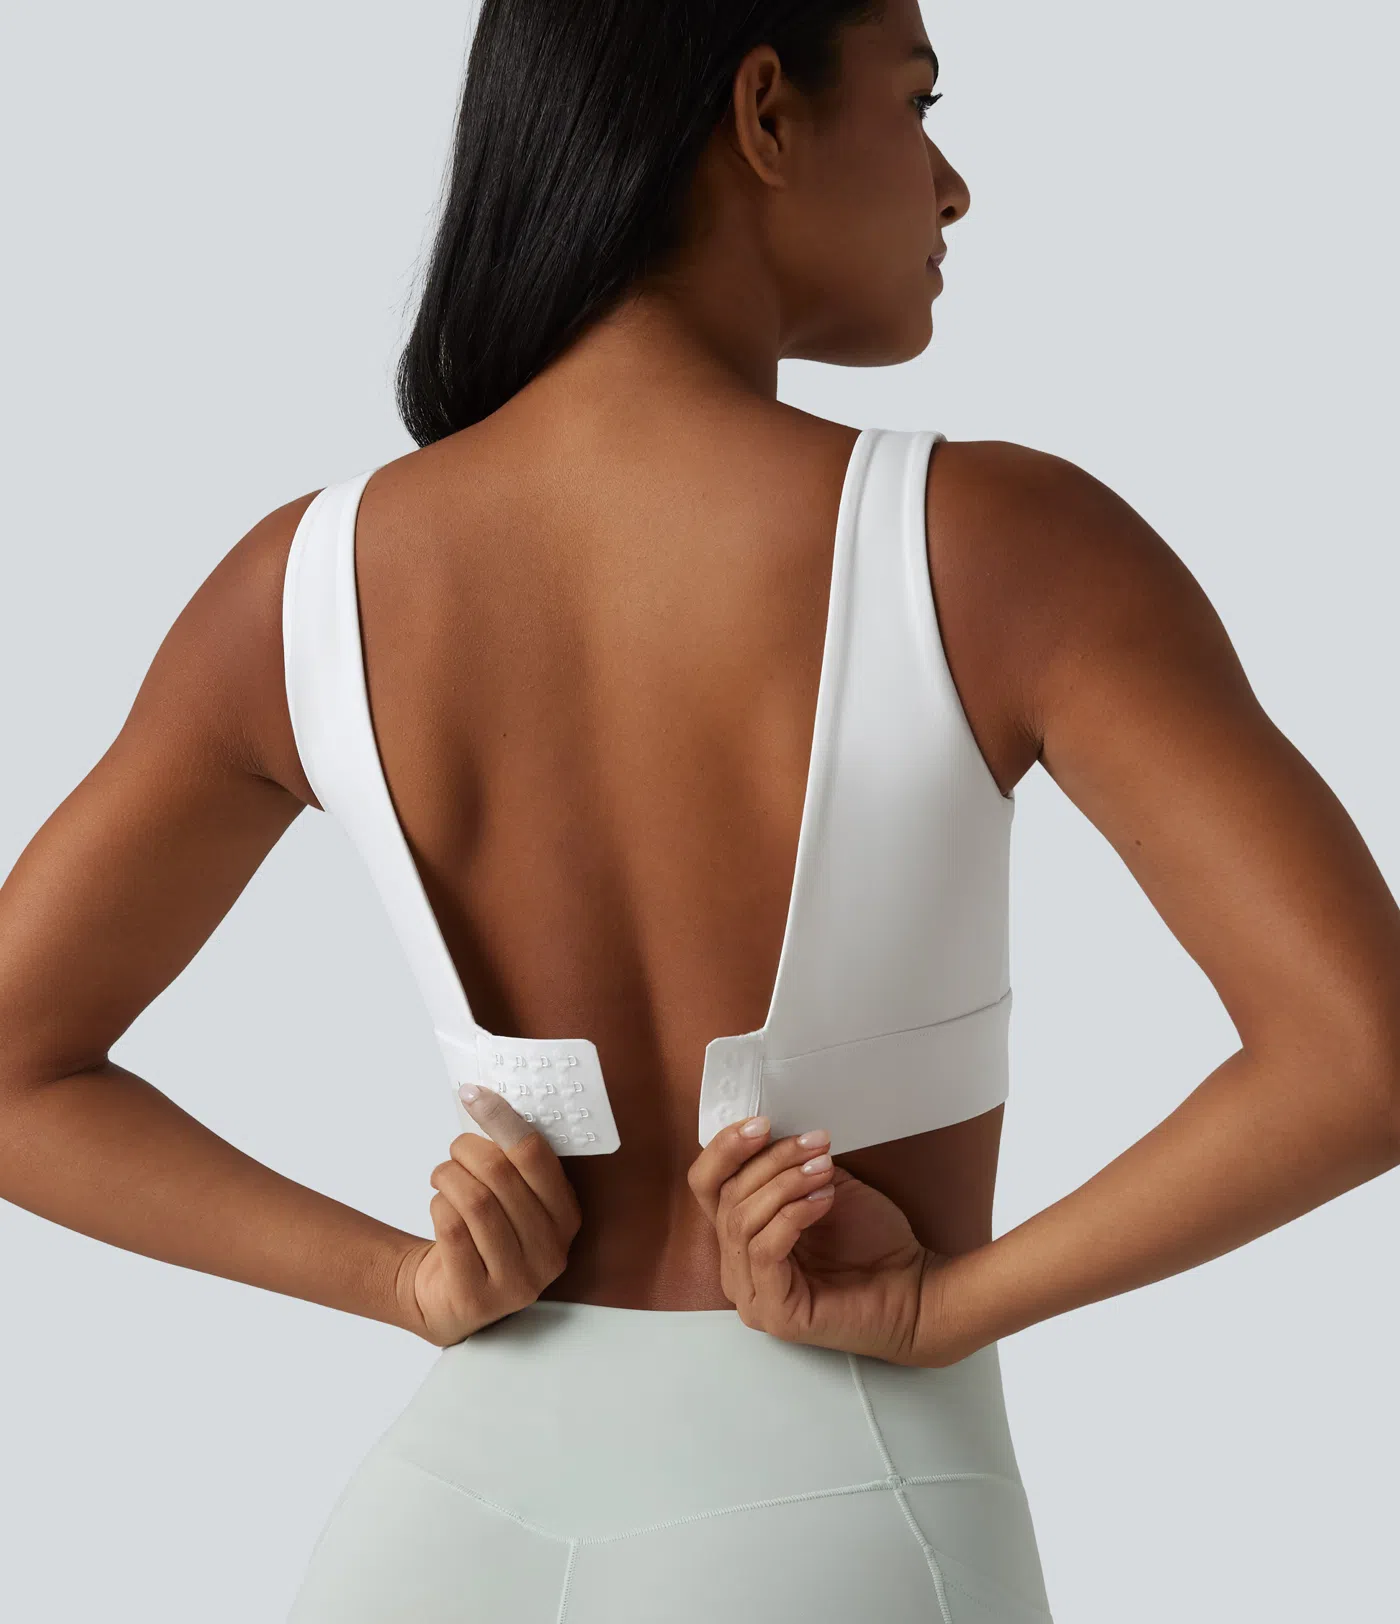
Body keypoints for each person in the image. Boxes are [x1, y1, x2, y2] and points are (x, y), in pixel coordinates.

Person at [2, 1, 1398, 1620]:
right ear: (765, 113)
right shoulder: (998, 546)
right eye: (918, 101)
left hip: (437, 1533)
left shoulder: (302, 591)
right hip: (849, 1525)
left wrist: (403, 1282)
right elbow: (1360, 1058)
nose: (952, 185)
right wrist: (941, 1309)